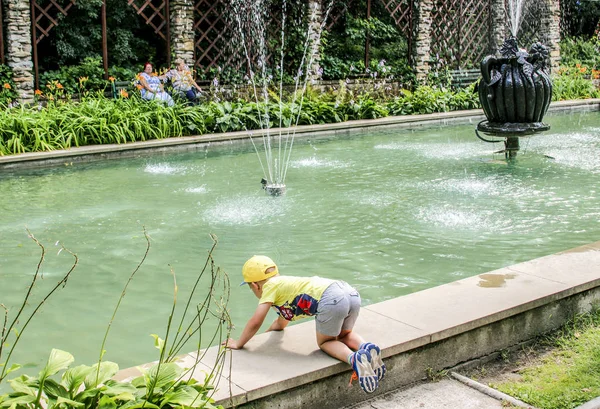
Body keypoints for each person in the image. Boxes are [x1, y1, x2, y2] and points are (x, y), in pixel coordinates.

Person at [222, 255, 386, 394]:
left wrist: (239, 343)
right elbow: (281, 322)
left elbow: (256, 320)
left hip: (331, 299)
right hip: (349, 292)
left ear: (255, 286)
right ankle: (366, 347)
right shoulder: (284, 285)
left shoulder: (269, 288)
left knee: (326, 342)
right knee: (344, 335)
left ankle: (354, 359)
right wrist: (268, 333)